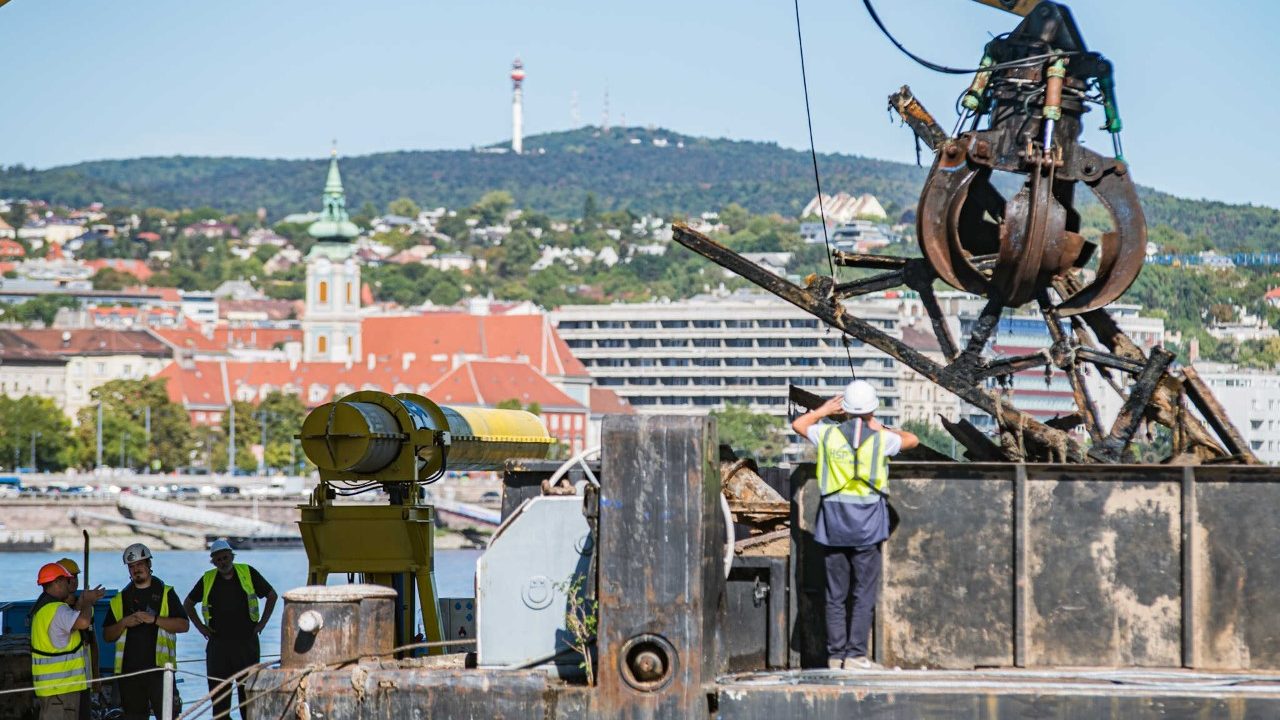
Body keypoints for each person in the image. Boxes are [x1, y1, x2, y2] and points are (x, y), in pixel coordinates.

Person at [792, 379, 918, 671]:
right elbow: (912, 439)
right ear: (872, 408)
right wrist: (881, 427)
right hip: (868, 524)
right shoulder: (881, 439)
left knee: (835, 595)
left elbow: (799, 424)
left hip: (833, 522)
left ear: (844, 409)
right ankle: (856, 656)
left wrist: (823, 410)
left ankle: (835, 657)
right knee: (862, 592)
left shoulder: (828, 435)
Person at [183, 539, 277, 720]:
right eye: (218, 560)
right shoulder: (208, 578)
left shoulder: (247, 572)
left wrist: (262, 624)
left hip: (246, 643)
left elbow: (271, 595)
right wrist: (200, 627)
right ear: (213, 562)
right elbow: (188, 603)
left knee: (248, 697)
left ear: (232, 557)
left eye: (225, 558)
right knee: (219, 701)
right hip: (219, 645)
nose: (223, 562)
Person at [102, 543, 189, 720]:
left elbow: (183, 625)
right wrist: (124, 622)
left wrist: (155, 620)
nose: (136, 569)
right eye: (132, 566)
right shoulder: (120, 600)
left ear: (149, 564)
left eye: (140, 564)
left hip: (161, 671)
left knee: (167, 716)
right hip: (130, 673)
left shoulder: (166, 593)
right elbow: (107, 636)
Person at [30, 562, 104, 720]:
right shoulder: (57, 609)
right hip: (62, 690)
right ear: (57, 582)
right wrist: (88, 602)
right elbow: (83, 622)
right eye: (66, 580)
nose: (69, 584)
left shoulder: (42, 608)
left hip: (51, 689)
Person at [54, 558, 95, 720]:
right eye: (70, 577)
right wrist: (85, 604)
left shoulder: (84, 605)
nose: (74, 581)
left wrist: (96, 676)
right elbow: (78, 623)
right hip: (61, 680)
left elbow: (92, 641)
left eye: (76, 577)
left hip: (82, 678)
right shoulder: (56, 609)